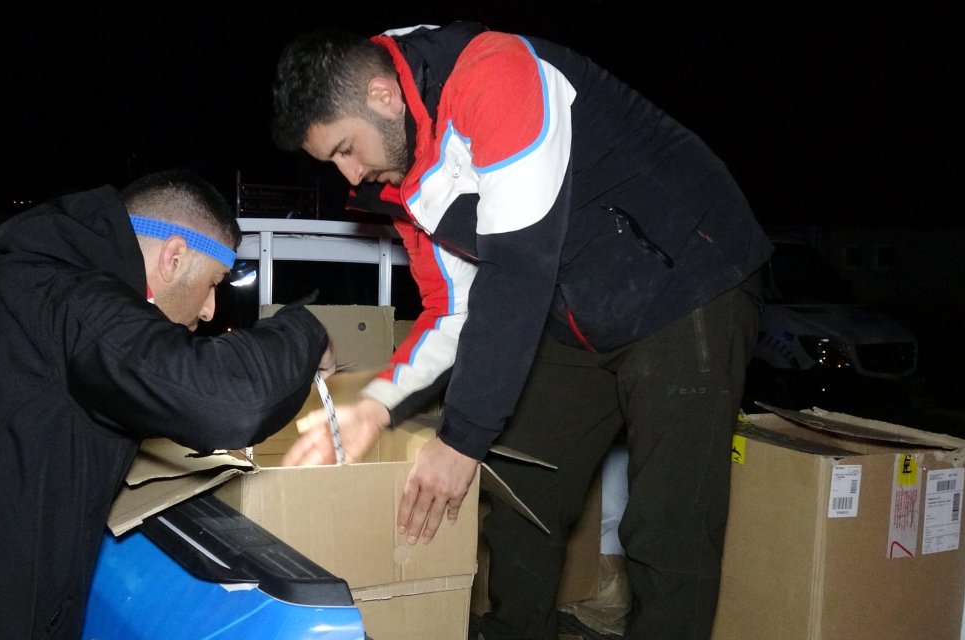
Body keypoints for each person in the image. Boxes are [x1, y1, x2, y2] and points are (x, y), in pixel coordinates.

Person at [272, 22, 771, 640]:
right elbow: (453, 310)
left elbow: (515, 271)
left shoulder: (495, 74)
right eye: (333, 162)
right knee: (524, 494)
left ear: (383, 95)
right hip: (576, 300)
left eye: (346, 149)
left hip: (687, 278)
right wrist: (375, 405)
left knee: (669, 523)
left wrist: (461, 440)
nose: (350, 176)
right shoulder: (405, 178)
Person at [0, 169, 333, 639]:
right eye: (214, 283)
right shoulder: (71, 298)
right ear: (174, 256)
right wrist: (305, 332)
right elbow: (228, 400)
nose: (211, 309)